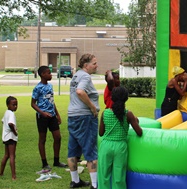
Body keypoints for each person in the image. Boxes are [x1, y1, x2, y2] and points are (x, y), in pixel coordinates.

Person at [99, 86, 143, 189]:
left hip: (106, 146)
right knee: (119, 177)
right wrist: (135, 120)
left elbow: (101, 133)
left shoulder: (105, 113)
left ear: (112, 98)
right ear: (126, 98)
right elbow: (139, 132)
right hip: (120, 147)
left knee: (103, 176)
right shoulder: (128, 114)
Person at [67, 53, 100, 189]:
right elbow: (80, 92)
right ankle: (95, 185)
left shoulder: (76, 75)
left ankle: (75, 181)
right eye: (94, 63)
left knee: (73, 150)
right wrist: (92, 107)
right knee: (90, 149)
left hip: (73, 116)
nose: (96, 65)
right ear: (86, 65)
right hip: (85, 117)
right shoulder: (85, 76)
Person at [31, 66, 66, 173]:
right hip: (42, 117)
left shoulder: (50, 86)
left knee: (58, 137)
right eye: (49, 73)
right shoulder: (38, 88)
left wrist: (57, 114)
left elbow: (52, 101)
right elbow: (33, 104)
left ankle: (56, 161)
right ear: (42, 74)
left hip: (52, 116)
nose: (51, 75)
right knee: (42, 139)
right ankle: (44, 163)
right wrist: (43, 113)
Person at [0, 96, 19, 180]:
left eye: (16, 105)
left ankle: (1, 173)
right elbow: (10, 124)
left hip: (6, 137)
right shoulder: (11, 114)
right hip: (11, 137)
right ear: (8, 105)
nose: (15, 106)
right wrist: (15, 132)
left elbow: (3, 121)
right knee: (12, 156)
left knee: (6, 155)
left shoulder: (6, 112)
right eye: (13, 105)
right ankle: (13, 176)